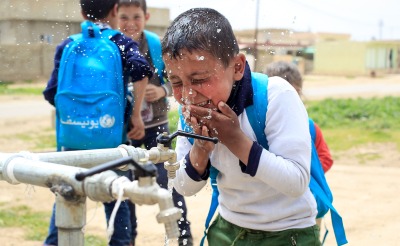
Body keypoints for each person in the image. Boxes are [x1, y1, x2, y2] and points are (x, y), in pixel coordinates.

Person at [162, 8, 321, 246]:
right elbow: (183, 187)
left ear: (237, 67)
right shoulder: (190, 110)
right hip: (228, 229)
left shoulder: (276, 96)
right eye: (175, 82)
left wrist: (235, 139)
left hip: (289, 231)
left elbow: (296, 182)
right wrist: (200, 151)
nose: (188, 94)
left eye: (199, 79)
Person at [42, 0, 152, 245]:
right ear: (115, 10)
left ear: (82, 13)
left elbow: (51, 92)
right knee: (116, 200)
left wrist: (79, 115)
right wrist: (134, 115)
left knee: (66, 196)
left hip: (73, 141)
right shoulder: (120, 42)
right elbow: (142, 71)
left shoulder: (67, 44)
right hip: (110, 142)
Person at [117, 1, 193, 245]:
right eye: (124, 17)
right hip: (125, 132)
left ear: (146, 16)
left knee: (168, 181)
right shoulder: (111, 46)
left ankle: (183, 235)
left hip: (156, 129)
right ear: (114, 15)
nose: (130, 24)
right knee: (123, 187)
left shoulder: (157, 46)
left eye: (136, 17)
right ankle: (128, 238)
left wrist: (162, 90)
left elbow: (179, 78)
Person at [265, 61, 334, 173]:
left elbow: (325, 158)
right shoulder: (256, 125)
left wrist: (303, 174)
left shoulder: (309, 127)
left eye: (293, 95)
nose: (287, 101)